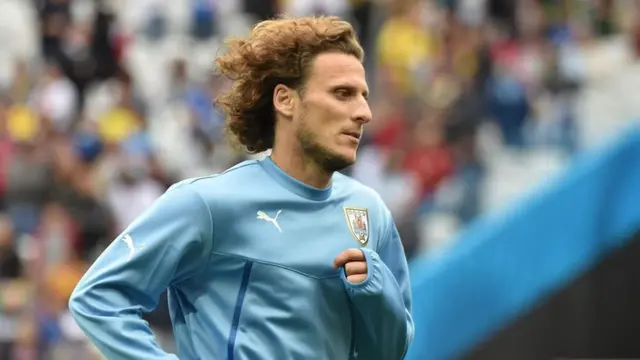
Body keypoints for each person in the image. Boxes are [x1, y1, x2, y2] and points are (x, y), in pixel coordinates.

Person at [69, 16, 414, 360]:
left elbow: (388, 353)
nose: (364, 112)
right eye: (343, 94)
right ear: (285, 100)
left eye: (363, 97)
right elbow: (98, 297)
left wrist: (376, 292)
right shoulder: (209, 203)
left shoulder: (370, 215)